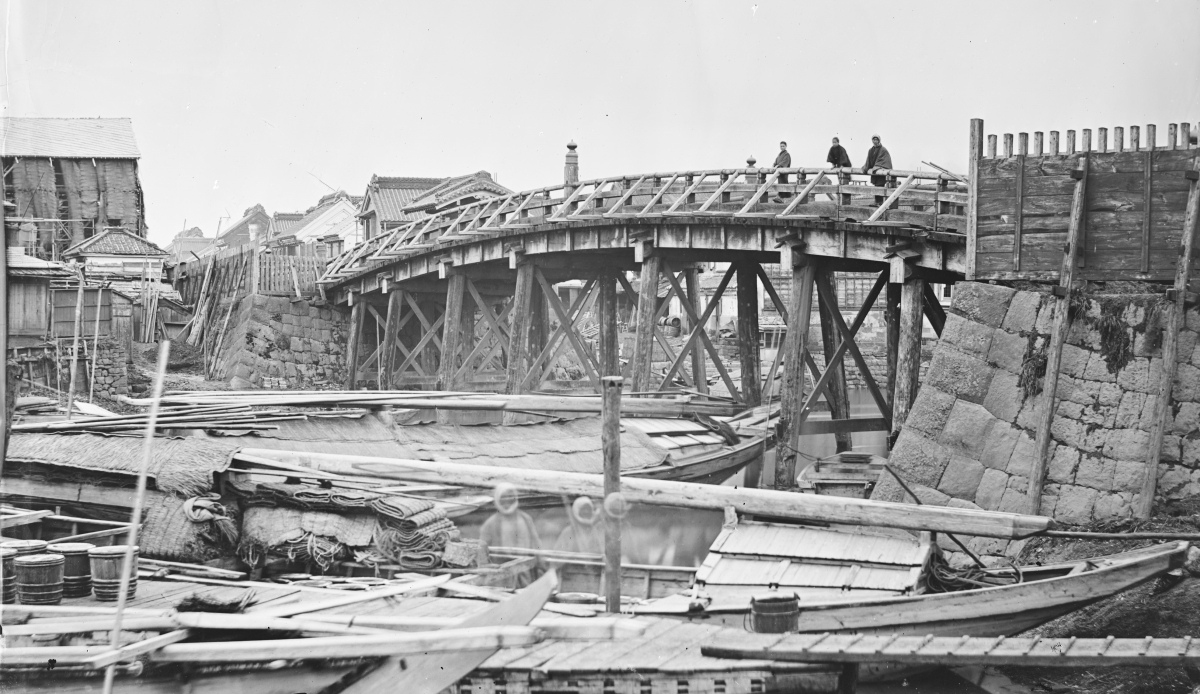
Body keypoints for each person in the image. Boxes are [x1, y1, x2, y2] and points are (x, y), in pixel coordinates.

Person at [479, 483, 542, 586]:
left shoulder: (526, 519)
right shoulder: (490, 524)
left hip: (525, 573)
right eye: (503, 498)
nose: (507, 501)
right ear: (497, 499)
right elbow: (482, 552)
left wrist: (541, 565)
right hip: (500, 576)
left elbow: (536, 545)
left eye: (510, 497)